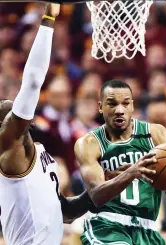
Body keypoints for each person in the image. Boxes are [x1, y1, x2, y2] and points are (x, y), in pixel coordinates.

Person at [0, 4, 90, 245]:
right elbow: (31, 83)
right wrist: (49, 18)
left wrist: (122, 177)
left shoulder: (40, 154)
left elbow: (65, 213)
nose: (16, 108)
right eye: (9, 112)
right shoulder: (7, 145)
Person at [74, 79, 166, 245]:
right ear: (100, 107)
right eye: (112, 104)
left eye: (125, 104)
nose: (119, 110)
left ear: (132, 106)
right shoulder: (89, 143)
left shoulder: (155, 133)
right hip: (108, 227)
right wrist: (131, 173)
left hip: (147, 229)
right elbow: (96, 196)